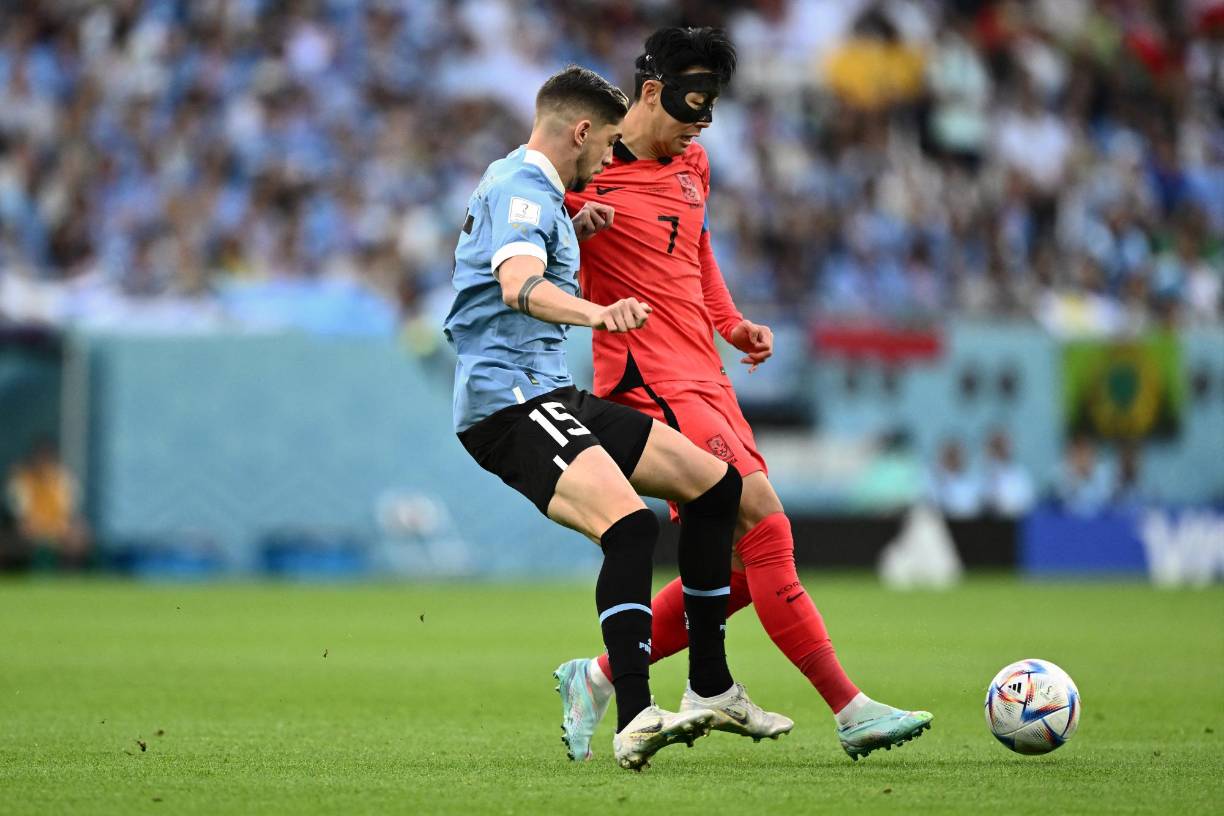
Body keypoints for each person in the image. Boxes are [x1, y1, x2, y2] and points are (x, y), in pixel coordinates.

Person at [557, 27, 932, 763]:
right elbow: (526, 255)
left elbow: (695, 248)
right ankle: (848, 709)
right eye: (686, 114)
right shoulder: (584, 170)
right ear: (653, 91)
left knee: (734, 567)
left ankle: (596, 676)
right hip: (645, 381)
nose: (694, 132)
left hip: (706, 373)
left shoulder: (694, 161)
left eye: (708, 118)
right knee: (764, 523)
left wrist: (731, 324)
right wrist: (569, 226)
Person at [443, 65, 787, 771]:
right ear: (581, 131)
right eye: (606, 143)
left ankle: (711, 686)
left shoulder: (532, 190)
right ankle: (633, 715)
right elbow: (516, 285)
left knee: (716, 487)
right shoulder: (520, 186)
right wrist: (598, 311)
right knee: (630, 527)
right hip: (508, 405)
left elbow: (510, 256)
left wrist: (574, 223)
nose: (611, 155)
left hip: (546, 393)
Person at [5, 438, 91, 570]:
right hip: (30, 526)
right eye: (41, 457)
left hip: (57, 527)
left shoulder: (62, 479)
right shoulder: (21, 478)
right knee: (19, 534)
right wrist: (34, 524)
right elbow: (19, 512)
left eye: (47, 457)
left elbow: (69, 511)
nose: (44, 462)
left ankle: (71, 574)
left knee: (79, 533)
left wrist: (61, 526)